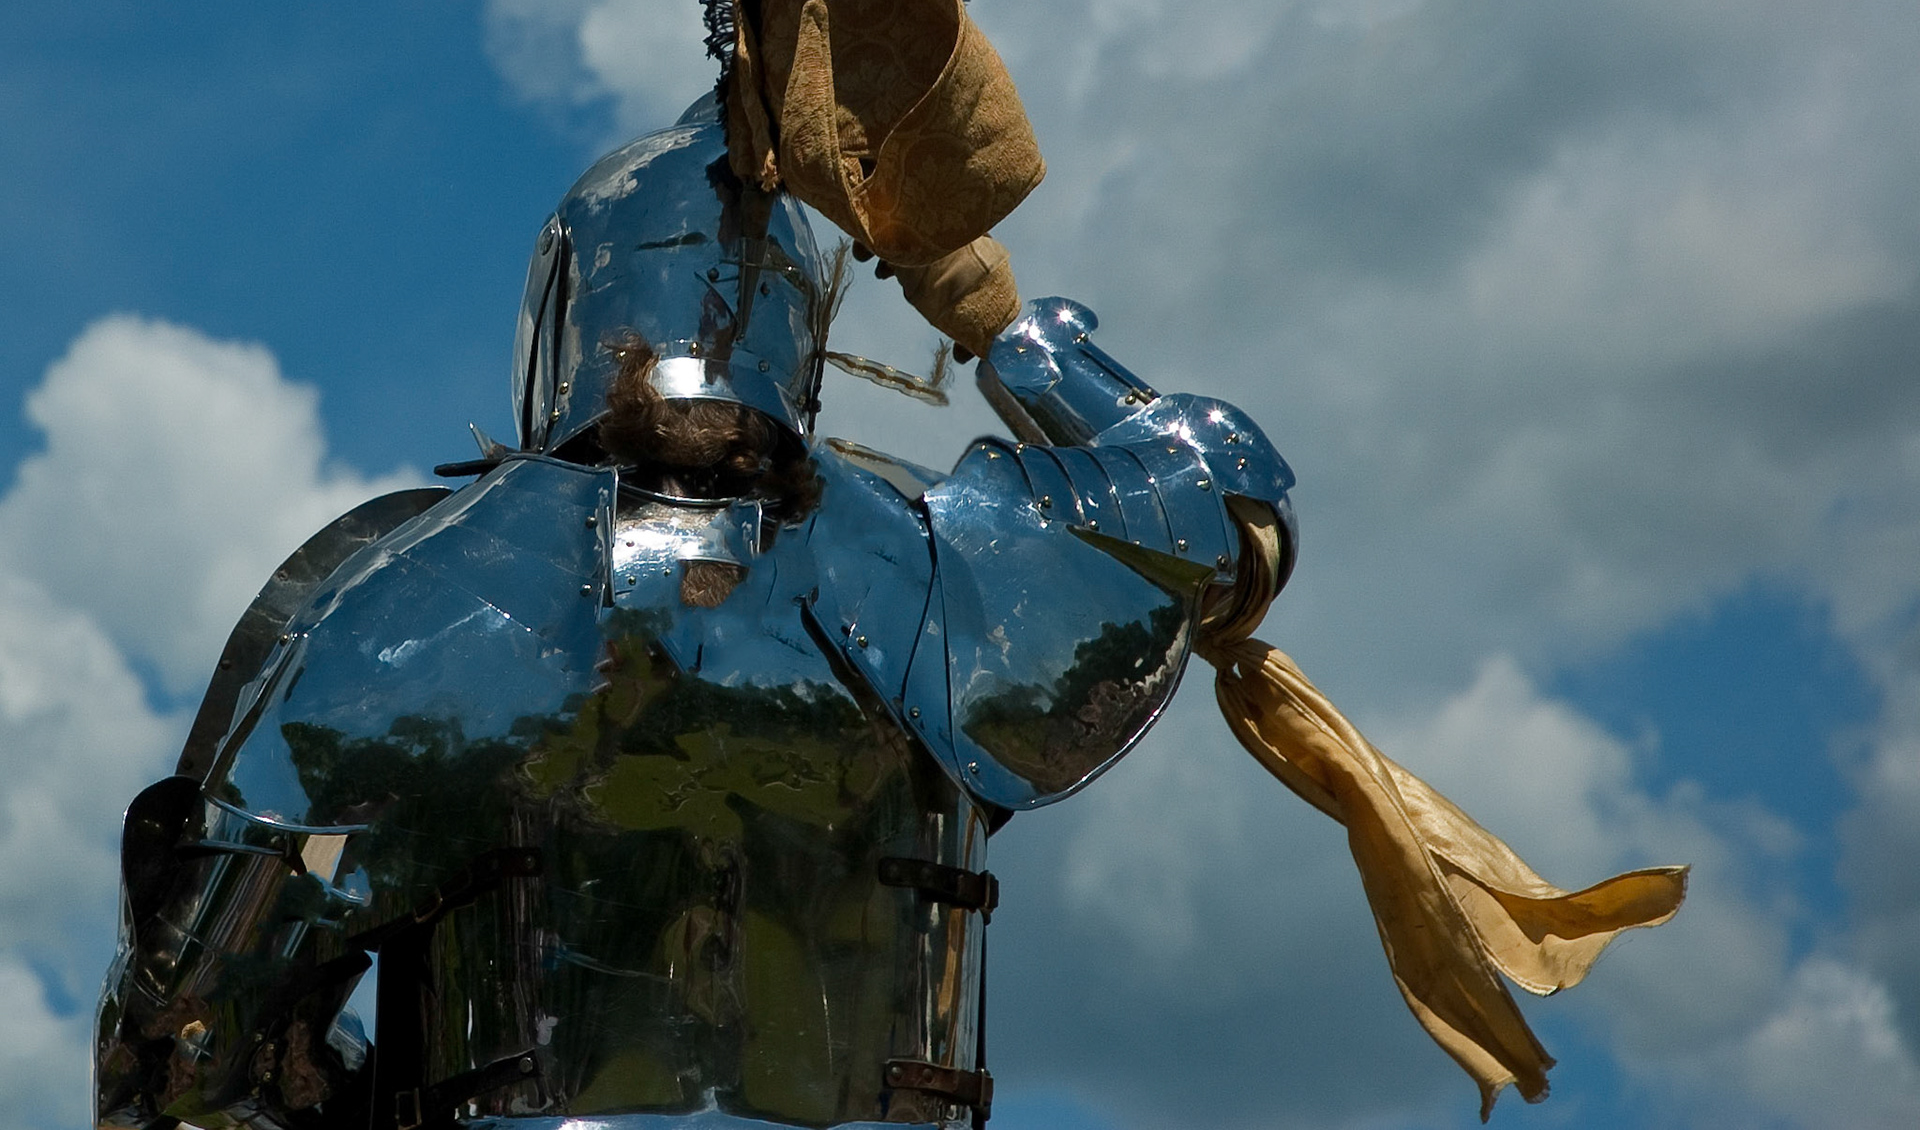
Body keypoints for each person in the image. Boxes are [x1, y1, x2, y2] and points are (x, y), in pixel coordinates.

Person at [93, 94, 1296, 1130]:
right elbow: (1231, 506)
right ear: (801, 327)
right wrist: (1031, 349)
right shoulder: (937, 580)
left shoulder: (410, 609)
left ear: (572, 304)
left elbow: (180, 1051)